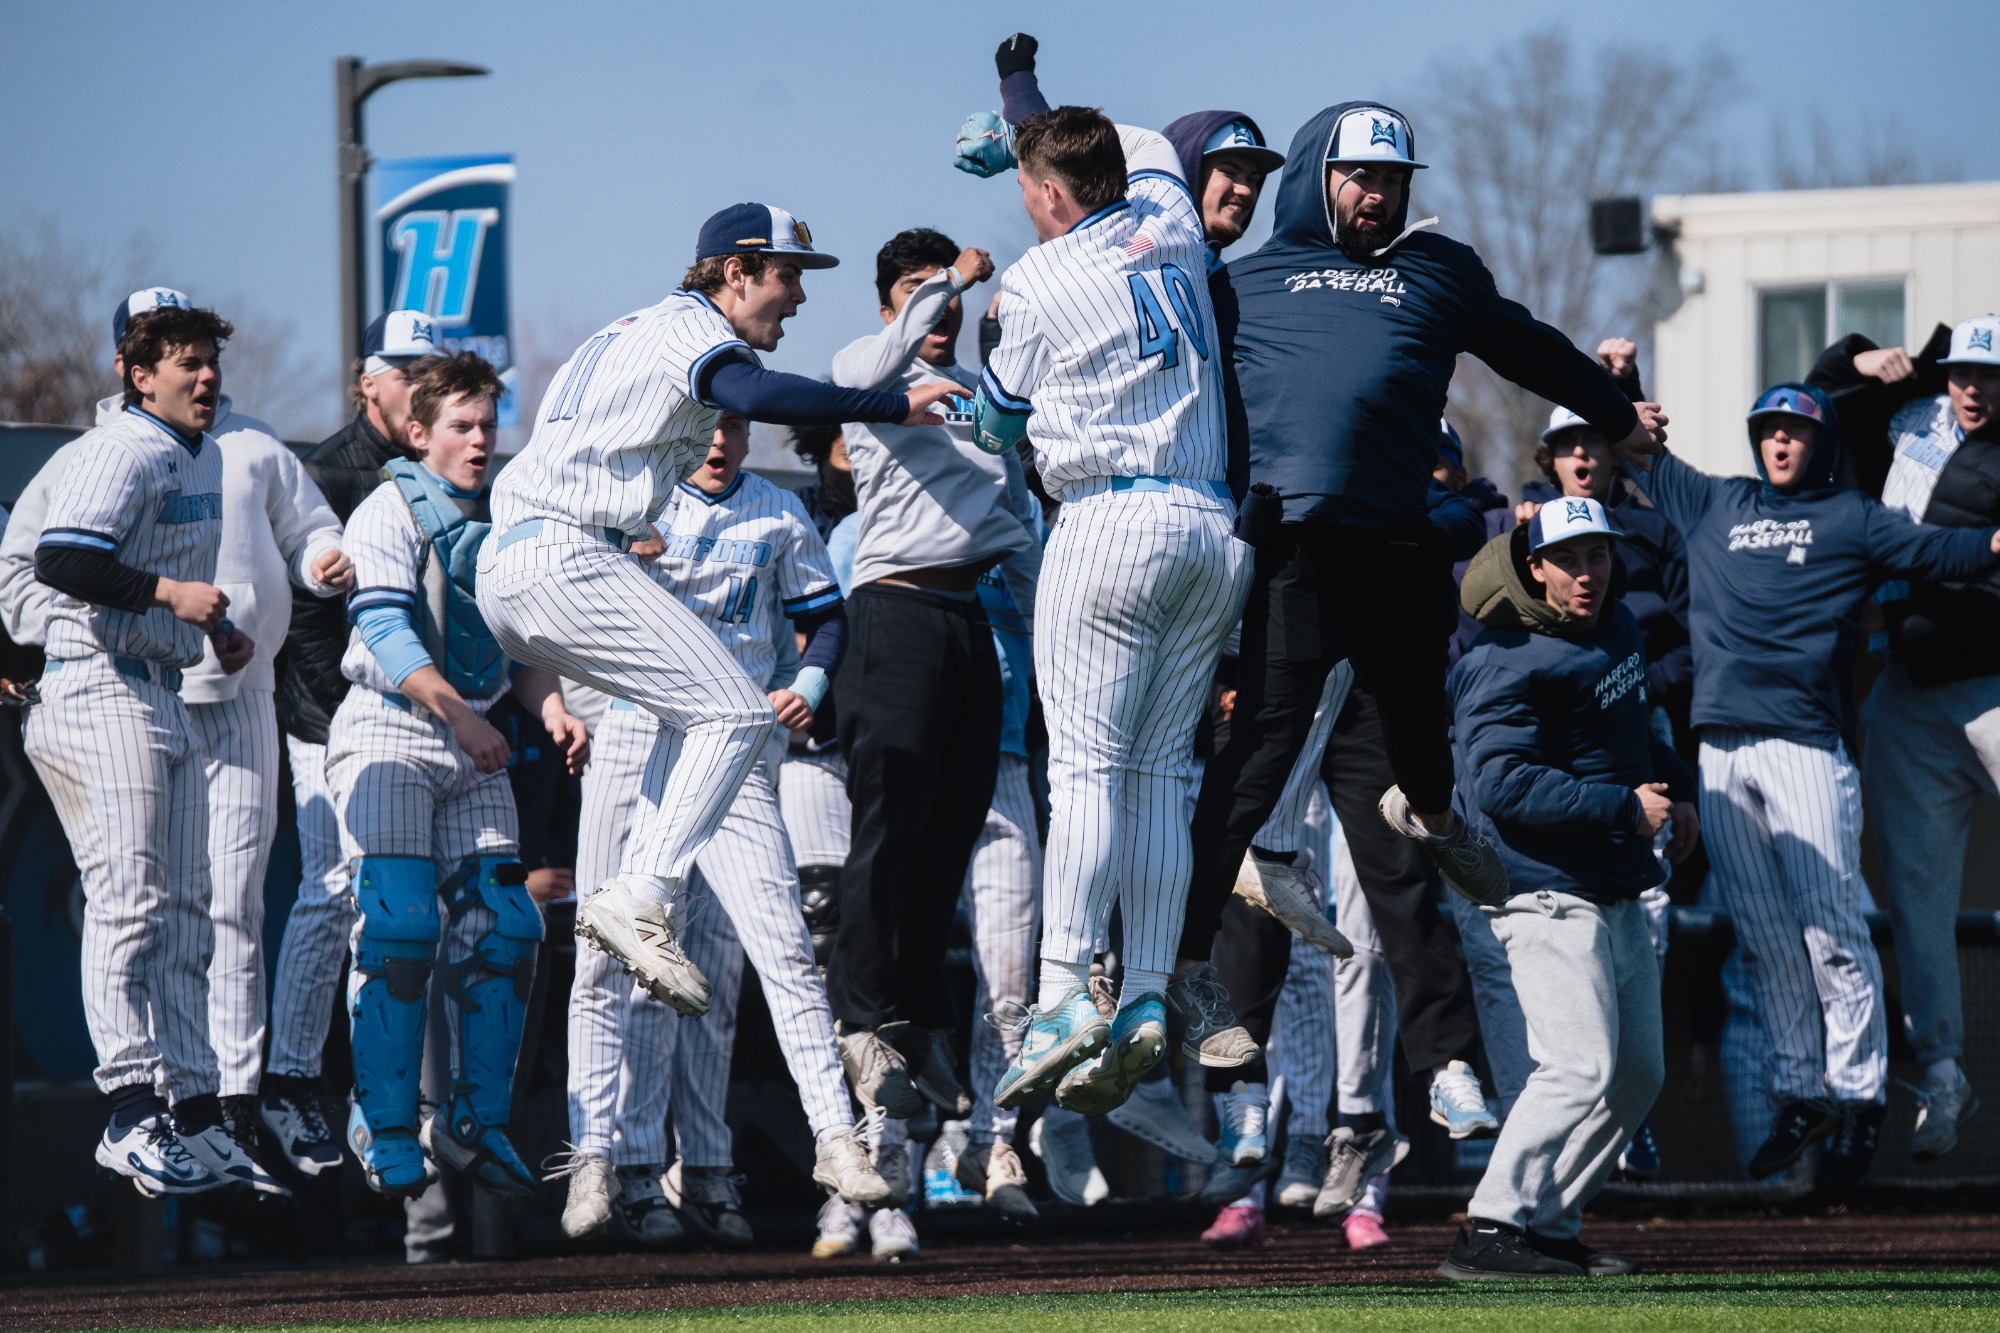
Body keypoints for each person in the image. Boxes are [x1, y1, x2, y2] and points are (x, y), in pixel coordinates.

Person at [1185, 96, 1667, 982]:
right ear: (1314, 181)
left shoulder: (1436, 270)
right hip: (1290, 553)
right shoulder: (1238, 284)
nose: (1379, 195)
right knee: (1254, 760)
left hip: (1397, 548)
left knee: (1419, 734)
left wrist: (1610, 410)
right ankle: (1169, 976)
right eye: (1360, 176)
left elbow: (1528, 347)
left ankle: (1443, 824)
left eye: (1394, 180)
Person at [477, 204, 960, 1016]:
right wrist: (890, 405)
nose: (800, 297)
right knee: (737, 711)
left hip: (524, 561)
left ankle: (636, 890)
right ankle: (640, 892)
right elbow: (751, 391)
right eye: (788, 274)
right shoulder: (695, 331)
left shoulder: (626, 329)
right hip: (565, 554)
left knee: (690, 713)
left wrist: (627, 525)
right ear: (735, 272)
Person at [957, 34, 1285, 1065]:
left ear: (1048, 193)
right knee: (1157, 778)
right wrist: (1022, 90)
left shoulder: (1038, 279)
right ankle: (1146, 992)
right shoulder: (1173, 215)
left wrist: (979, 412)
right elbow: (1089, 138)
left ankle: (1061, 996)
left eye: (1024, 182)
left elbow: (1000, 426)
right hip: (1208, 528)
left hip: (1109, 524)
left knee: (1089, 775)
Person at [1619, 382, 2000, 1189]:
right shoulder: (1714, 500)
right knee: (1761, 936)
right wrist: (1623, 386)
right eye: (1769, 430)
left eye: (1795, 430)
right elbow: (1635, 450)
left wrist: (1993, 544)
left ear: (1819, 441)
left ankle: (1859, 1093)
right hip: (1721, 746)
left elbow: (1940, 553)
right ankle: (1801, 1089)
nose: (1780, 443)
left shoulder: (1851, 516)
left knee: (1831, 928)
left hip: (1805, 744)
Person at [0, 288, 352, 1159]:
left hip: (159, 677)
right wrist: (163, 600)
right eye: (182, 359)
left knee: (188, 909)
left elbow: (180, 567)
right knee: (131, 901)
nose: (204, 372)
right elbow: (56, 557)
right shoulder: (122, 449)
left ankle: (196, 1108)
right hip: (95, 680)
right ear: (135, 372)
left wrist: (217, 627)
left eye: (207, 356)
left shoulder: (202, 448)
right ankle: (129, 1105)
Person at [552, 408, 889, 1243]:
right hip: (635, 727)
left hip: (735, 735)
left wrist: (808, 686)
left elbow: (827, 618)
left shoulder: (777, 510)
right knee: (604, 950)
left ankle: (831, 1136)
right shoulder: (631, 501)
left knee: (774, 949)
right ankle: (597, 1149)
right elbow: (555, 602)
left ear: (748, 433)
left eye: (732, 424)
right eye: (703, 424)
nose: (717, 440)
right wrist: (614, 559)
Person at [329, 351, 589, 1198]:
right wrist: (468, 718)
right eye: (461, 426)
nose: (480, 441)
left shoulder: (510, 509)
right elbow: (388, 635)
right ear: (418, 433)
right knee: (401, 925)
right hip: (391, 728)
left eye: (487, 425)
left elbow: (521, 642)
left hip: (472, 733)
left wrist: (549, 706)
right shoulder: (385, 510)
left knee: (510, 924)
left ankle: (476, 1119)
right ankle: (384, 1119)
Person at [1439, 497, 1694, 1279]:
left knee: (1637, 1072)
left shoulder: (1615, 626)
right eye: (1571, 558)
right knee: (1577, 1065)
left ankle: (1548, 1224)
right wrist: (1622, 806)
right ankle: (1489, 1226)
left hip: (1613, 877)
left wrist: (1676, 789)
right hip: (1540, 888)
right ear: (1535, 565)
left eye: (1601, 555)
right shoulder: (1501, 656)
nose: (1589, 572)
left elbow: (1640, 722)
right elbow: (1497, 786)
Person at [824, 225, 1033, 1122]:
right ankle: (863, 1020)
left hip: (966, 624)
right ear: (892, 304)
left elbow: (1017, 528)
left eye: (949, 298)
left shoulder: (989, 404)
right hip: (895, 616)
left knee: (947, 835)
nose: (941, 309)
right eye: (916, 291)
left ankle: (917, 1022)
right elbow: (873, 361)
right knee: (890, 829)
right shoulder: (868, 374)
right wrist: (949, 278)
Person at [1810, 313, 2000, 1159]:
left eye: (1989, 376)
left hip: (1994, 685)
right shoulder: (1912, 421)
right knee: (1917, 901)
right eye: (1962, 372)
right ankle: (1945, 1073)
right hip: (1910, 695)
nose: (1973, 388)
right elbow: (1816, 403)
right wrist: (1857, 355)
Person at [262, 309, 441, 1175]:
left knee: (415, 909)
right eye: (403, 369)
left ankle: (389, 1100)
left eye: (429, 368)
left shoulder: (445, 463)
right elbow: (304, 622)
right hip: (327, 714)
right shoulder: (327, 470)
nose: (418, 382)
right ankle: (291, 1079)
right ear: (367, 381)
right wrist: (346, 722)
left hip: (419, 721)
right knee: (335, 890)